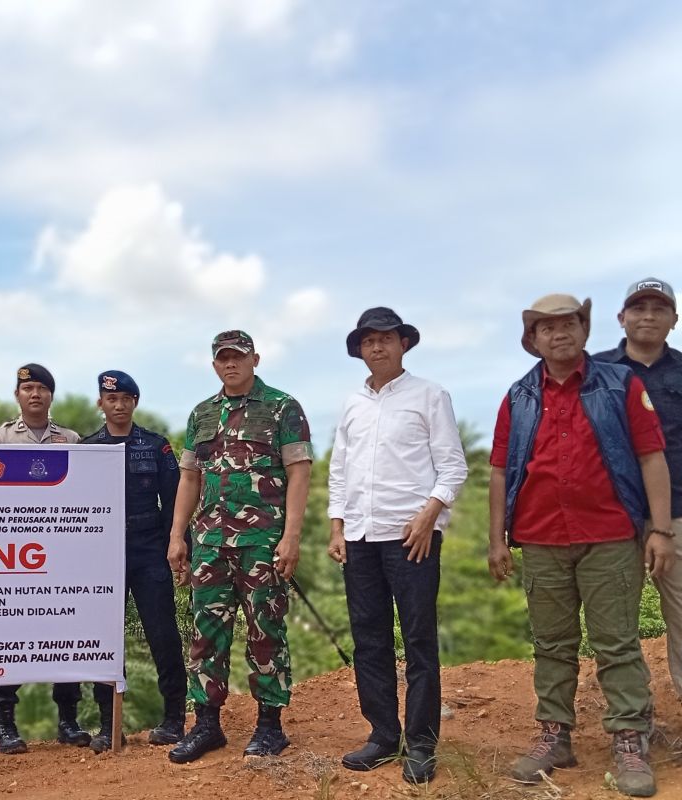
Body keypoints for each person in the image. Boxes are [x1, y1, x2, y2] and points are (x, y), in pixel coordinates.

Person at [488, 294, 673, 798]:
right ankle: (554, 737)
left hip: (611, 535)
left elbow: (651, 456)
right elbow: (502, 469)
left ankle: (630, 741)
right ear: (534, 340)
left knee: (617, 643)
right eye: (546, 328)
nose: (558, 333)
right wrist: (496, 539)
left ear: (585, 329)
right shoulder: (519, 396)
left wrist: (660, 529)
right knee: (551, 645)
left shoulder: (620, 384)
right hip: (540, 537)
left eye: (567, 323)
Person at [327, 308, 468, 784]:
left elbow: (453, 467)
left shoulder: (430, 395)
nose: (377, 347)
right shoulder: (352, 403)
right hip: (360, 537)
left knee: (419, 639)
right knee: (369, 639)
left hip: (411, 537)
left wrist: (431, 515)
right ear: (360, 350)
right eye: (368, 341)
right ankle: (384, 735)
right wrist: (336, 526)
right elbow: (339, 470)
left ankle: (422, 742)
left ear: (403, 344)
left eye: (386, 339)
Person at [165, 331, 313, 764]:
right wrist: (178, 536)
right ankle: (207, 724)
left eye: (239, 357)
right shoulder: (202, 414)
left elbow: (299, 473)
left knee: (265, 631)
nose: (231, 364)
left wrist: (291, 537)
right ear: (214, 365)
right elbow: (189, 477)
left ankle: (270, 726)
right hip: (210, 541)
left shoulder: (282, 407)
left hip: (262, 540)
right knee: (205, 634)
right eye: (223, 358)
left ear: (255, 360)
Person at [0, 363, 88, 754]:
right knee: (10, 636)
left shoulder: (72, 440)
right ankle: (6, 723)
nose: (34, 394)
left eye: (42, 388)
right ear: (17, 395)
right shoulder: (0, 438)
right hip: (13, 556)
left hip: (62, 554)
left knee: (65, 633)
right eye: (27, 388)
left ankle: (68, 720)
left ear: (51, 396)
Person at [81, 370, 187, 753]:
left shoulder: (155, 447)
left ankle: (175, 718)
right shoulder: (88, 448)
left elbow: (176, 503)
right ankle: (109, 725)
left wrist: (180, 548)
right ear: (101, 404)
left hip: (149, 550)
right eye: (112, 399)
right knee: (104, 639)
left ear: (134, 403)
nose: (119, 405)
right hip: (103, 554)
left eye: (126, 399)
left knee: (163, 635)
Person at [595, 279, 682, 702]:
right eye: (639, 307)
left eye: (659, 308)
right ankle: (632, 720)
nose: (648, 315)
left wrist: (664, 527)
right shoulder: (595, 372)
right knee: (616, 623)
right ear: (622, 317)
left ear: (674, 319)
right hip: (613, 516)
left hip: (679, 515)